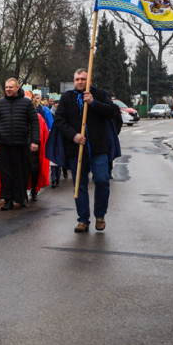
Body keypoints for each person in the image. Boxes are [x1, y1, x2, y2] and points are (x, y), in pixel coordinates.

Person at [46, 69, 121, 233]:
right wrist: (73, 136)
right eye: (77, 79)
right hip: (76, 149)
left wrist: (93, 102)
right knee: (79, 185)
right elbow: (59, 120)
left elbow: (111, 112)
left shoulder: (100, 94)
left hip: (98, 148)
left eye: (83, 79)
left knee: (102, 180)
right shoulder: (67, 98)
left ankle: (100, 215)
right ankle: (83, 220)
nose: (80, 82)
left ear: (90, 81)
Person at [0, 78, 39, 210]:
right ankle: (8, 200)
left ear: (17, 88)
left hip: (22, 143)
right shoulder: (0, 103)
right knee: (6, 173)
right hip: (5, 143)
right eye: (6, 87)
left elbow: (34, 122)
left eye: (11, 87)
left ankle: (21, 197)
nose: (8, 89)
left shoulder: (27, 103)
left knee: (21, 172)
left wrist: (35, 141)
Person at [27, 94, 50, 202]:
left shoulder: (39, 116)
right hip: (21, 145)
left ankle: (34, 191)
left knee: (34, 169)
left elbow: (43, 131)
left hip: (34, 147)